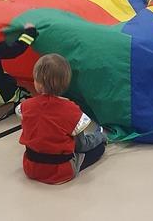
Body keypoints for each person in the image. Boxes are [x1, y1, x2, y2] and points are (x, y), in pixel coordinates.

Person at [17, 54, 108, 184]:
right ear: (66, 83)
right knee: (99, 149)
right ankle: (101, 136)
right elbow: (81, 146)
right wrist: (100, 136)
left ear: (37, 83)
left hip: (31, 167)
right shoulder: (71, 110)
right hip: (61, 171)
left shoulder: (25, 106)